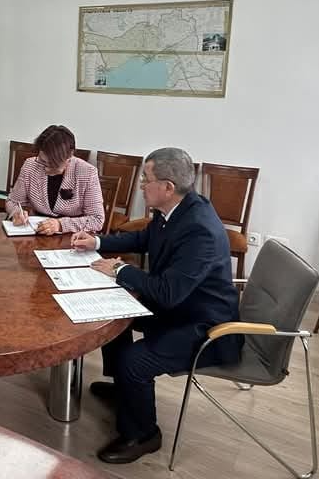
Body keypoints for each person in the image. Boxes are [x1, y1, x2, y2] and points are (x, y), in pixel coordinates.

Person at [70, 147, 242, 464]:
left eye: (145, 179)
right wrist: (97, 242)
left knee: (135, 360)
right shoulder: (176, 209)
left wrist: (121, 270)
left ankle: (144, 434)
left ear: (167, 187)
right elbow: (142, 239)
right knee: (113, 316)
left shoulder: (199, 229)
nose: (140, 186)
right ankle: (125, 390)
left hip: (206, 326)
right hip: (181, 307)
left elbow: (167, 293)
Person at [5, 125, 104, 235]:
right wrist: (16, 212)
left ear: (69, 157)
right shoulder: (30, 165)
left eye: (53, 164)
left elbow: (97, 219)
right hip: (37, 231)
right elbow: (12, 201)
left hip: (72, 236)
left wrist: (60, 225)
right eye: (42, 161)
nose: (46, 169)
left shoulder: (87, 172)